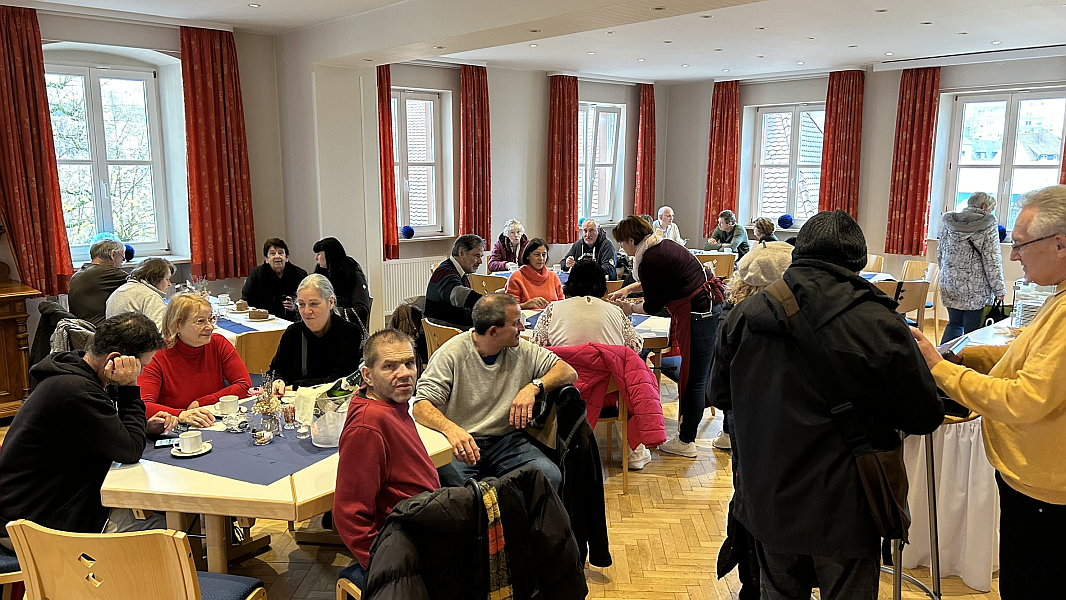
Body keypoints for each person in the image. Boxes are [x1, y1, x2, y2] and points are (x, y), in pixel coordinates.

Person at [712, 210, 943, 600]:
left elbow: (719, 396)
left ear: (798, 252)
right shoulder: (882, 322)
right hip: (847, 504)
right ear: (859, 262)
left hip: (768, 495)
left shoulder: (744, 315)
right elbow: (922, 416)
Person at [911, 185, 1066, 599]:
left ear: (1060, 244)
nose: (1014, 256)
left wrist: (940, 369)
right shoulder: (1059, 297)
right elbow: (1029, 358)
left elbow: (1023, 399)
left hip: (1046, 490)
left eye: (1021, 245)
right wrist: (966, 357)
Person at [0, 313, 171, 540]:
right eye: (141, 367)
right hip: (36, 523)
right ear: (116, 359)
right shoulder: (78, 391)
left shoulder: (74, 372)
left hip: (41, 505)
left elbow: (103, 433)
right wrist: (129, 386)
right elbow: (130, 451)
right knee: (171, 531)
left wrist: (141, 428)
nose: (140, 374)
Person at [412, 294, 578, 492]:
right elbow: (421, 406)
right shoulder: (452, 354)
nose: (522, 328)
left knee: (549, 476)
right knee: (465, 494)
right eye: (515, 324)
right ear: (493, 332)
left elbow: (568, 371)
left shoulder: (522, 349)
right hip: (463, 441)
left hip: (507, 440)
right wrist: (451, 429)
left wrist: (533, 387)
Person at [334, 329, 440, 591]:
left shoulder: (391, 404)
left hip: (423, 527)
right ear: (367, 375)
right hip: (403, 548)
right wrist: (386, 567)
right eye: (390, 366)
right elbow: (349, 514)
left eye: (409, 363)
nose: (404, 373)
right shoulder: (368, 425)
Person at [609, 216, 723, 458]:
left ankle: (686, 440)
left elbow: (652, 304)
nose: (621, 247)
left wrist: (630, 308)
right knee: (702, 374)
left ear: (632, 240)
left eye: (622, 242)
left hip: (697, 314)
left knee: (693, 378)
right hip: (708, 307)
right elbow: (659, 282)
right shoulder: (661, 245)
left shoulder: (649, 259)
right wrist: (629, 288)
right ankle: (718, 434)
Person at [710, 240, 794, 452]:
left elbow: (718, 390)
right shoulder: (805, 316)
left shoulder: (732, 319)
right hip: (793, 418)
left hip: (744, 414)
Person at [137, 293, 250, 427]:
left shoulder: (218, 344)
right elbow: (143, 405)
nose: (210, 327)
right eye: (200, 321)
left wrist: (201, 403)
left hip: (215, 422)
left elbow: (244, 385)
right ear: (177, 325)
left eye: (211, 319)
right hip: (176, 429)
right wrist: (182, 414)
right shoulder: (156, 355)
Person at [270, 274, 364, 389]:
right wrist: (277, 381)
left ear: (331, 302)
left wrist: (296, 386)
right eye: (301, 304)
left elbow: (339, 382)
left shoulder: (349, 332)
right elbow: (274, 371)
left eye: (314, 304)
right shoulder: (293, 332)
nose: (306, 311)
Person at [530, 258, 642, 354]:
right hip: (607, 371)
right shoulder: (616, 311)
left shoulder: (553, 309)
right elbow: (635, 346)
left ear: (570, 282)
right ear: (602, 284)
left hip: (564, 371)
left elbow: (535, 345)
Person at [936, 191, 1007, 343]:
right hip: (976, 289)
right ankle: (969, 356)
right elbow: (992, 260)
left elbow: (940, 253)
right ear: (985, 206)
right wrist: (999, 289)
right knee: (974, 330)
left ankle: (942, 355)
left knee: (954, 324)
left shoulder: (950, 222)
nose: (991, 212)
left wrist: (949, 275)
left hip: (950, 283)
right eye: (991, 208)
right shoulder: (988, 224)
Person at [424, 234, 484, 329]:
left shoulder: (452, 269)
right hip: (445, 329)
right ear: (461, 252)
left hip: (446, 325)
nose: (480, 261)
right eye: (476, 256)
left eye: (481, 257)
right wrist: (489, 302)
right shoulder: (445, 272)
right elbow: (457, 294)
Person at [242, 238, 309, 318]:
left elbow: (308, 301)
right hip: (262, 319)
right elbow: (246, 300)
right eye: (272, 253)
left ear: (287, 258)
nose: (277, 256)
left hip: (291, 320)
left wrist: (295, 307)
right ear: (266, 259)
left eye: (281, 253)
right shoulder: (256, 274)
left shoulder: (300, 274)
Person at [68, 238, 128, 326]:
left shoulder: (79, 273)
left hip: (80, 328)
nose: (121, 265)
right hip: (98, 329)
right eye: (122, 259)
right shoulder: (110, 273)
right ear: (113, 255)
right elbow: (140, 282)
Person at [105, 258, 174, 332]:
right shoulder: (150, 297)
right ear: (156, 278)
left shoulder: (120, 290)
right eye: (167, 279)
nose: (169, 284)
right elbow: (161, 332)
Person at [313, 237, 371, 325]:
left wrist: (332, 312)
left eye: (319, 254)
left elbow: (361, 309)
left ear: (329, 256)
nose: (316, 258)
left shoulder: (353, 275)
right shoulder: (321, 273)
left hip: (347, 326)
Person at [505, 238, 563, 309]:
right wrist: (527, 305)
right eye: (537, 255)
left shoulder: (553, 276)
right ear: (527, 256)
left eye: (544, 255)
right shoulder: (516, 277)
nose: (541, 258)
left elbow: (562, 303)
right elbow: (510, 307)